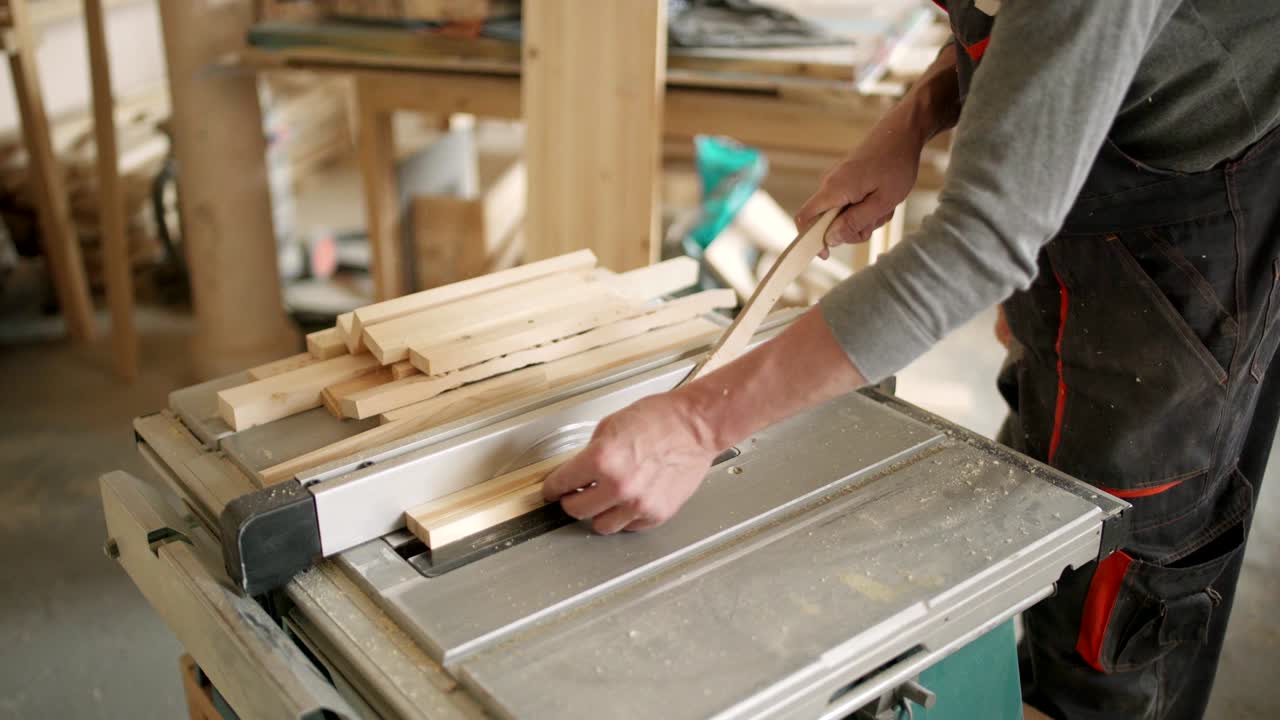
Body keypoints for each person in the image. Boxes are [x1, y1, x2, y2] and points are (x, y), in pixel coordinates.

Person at [542, 3, 1280, 718]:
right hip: (1104, 166)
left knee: (1127, 576)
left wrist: (698, 423)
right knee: (1051, 488)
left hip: (1194, 216)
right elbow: (1026, 37)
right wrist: (916, 117)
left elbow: (979, 245)